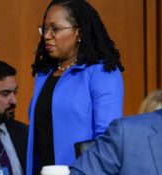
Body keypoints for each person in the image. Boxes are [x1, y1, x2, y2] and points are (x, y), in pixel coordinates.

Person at [26, 0, 124, 174]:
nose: (47, 36)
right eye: (45, 29)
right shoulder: (44, 75)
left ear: (78, 32)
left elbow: (107, 138)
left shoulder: (101, 73)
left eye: (55, 29)